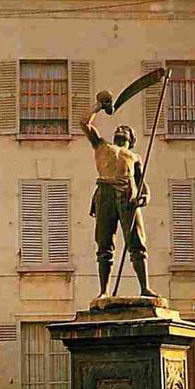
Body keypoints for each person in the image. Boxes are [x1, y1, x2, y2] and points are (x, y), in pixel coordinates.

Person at [80, 90, 158, 299]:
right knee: (104, 244)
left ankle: (144, 288)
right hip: (104, 193)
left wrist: (146, 197)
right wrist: (99, 105)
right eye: (119, 128)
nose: (121, 129)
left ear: (131, 140)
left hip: (127, 195)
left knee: (136, 242)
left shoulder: (135, 156)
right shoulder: (102, 145)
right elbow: (84, 123)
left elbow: (142, 184)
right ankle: (104, 291)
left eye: (126, 130)